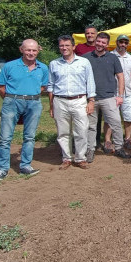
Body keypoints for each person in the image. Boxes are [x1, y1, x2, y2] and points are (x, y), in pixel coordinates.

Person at [0, 39, 48, 181]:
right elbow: (1, 87)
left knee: (29, 136)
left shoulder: (43, 68)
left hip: (34, 102)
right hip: (12, 101)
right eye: (28, 50)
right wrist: (13, 99)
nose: (31, 53)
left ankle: (25, 166)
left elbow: (43, 87)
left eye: (34, 50)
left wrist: (30, 96)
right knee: (5, 137)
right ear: (21, 50)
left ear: (38, 50)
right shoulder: (9, 66)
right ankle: (2, 168)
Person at [47, 35, 96, 170]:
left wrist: (91, 101)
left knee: (81, 130)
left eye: (67, 45)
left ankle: (80, 158)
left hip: (79, 100)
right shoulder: (54, 64)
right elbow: (50, 86)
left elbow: (90, 82)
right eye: (62, 45)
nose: (64, 48)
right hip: (60, 101)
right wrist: (51, 106)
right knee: (62, 132)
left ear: (73, 47)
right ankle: (66, 158)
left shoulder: (84, 62)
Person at [83, 32, 131, 162]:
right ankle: (90, 150)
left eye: (103, 42)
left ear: (107, 44)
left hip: (109, 97)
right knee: (91, 126)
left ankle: (119, 148)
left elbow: (120, 77)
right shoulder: (85, 58)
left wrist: (120, 96)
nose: (100, 44)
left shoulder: (113, 58)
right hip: (91, 98)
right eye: (98, 41)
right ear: (95, 41)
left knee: (115, 123)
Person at [104, 35, 131, 151]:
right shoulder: (110, 56)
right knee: (110, 118)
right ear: (117, 42)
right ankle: (108, 141)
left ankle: (127, 139)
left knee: (128, 117)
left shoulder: (130, 57)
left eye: (125, 42)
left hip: (128, 92)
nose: (123, 44)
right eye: (121, 42)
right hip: (113, 92)